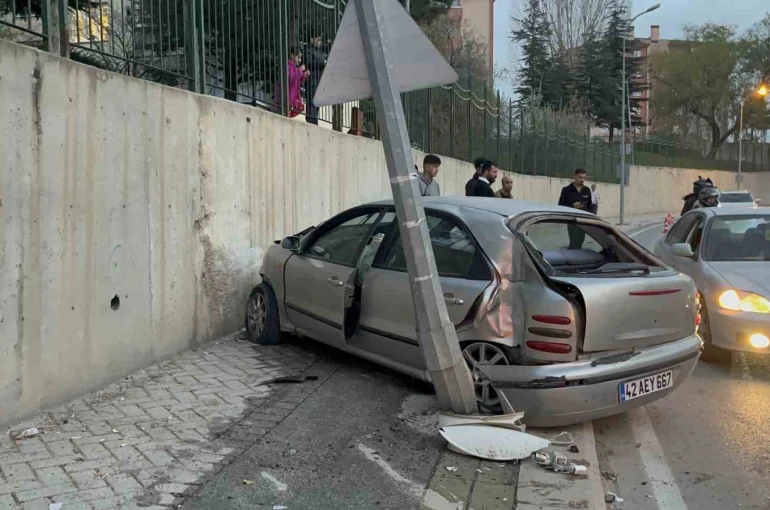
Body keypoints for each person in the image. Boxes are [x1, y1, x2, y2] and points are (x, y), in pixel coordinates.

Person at [558, 169, 593, 249]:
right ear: (575, 176)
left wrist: (591, 219)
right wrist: (572, 205)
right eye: (580, 177)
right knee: (574, 242)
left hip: (584, 220)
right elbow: (560, 205)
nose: (582, 180)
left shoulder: (587, 190)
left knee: (580, 242)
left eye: (584, 178)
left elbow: (590, 206)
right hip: (572, 220)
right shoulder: (566, 190)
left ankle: (577, 256)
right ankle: (572, 256)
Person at [275, 48, 310, 119]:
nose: (300, 60)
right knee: (285, 111)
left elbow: (298, 81)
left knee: (289, 111)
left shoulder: (294, 67)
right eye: (298, 57)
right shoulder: (288, 65)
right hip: (286, 94)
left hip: (291, 94)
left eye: (300, 58)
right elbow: (291, 78)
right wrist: (300, 70)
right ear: (292, 56)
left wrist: (304, 75)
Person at [303, 35, 326, 125]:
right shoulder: (308, 50)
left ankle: (314, 118)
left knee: (316, 102)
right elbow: (309, 63)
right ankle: (311, 119)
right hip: (311, 80)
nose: (320, 42)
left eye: (321, 40)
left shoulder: (319, 52)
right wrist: (321, 63)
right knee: (311, 101)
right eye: (318, 40)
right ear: (312, 39)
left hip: (318, 80)